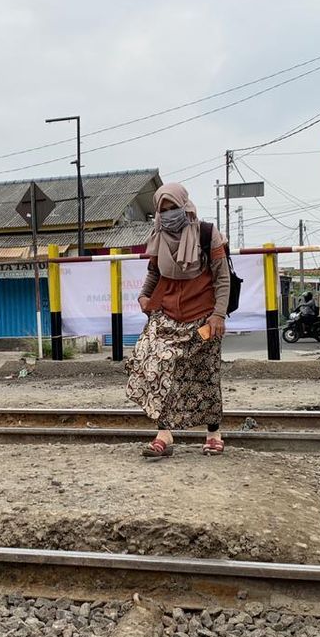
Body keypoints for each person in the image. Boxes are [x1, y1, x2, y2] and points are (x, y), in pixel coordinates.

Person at [127, 182, 231, 459]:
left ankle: (213, 434)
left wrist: (218, 314)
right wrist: (143, 297)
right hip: (167, 316)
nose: (169, 214)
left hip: (204, 317)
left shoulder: (208, 233)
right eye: (163, 209)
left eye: (173, 207)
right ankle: (164, 434)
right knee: (157, 369)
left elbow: (222, 278)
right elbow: (153, 273)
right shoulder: (158, 236)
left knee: (205, 375)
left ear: (184, 205)